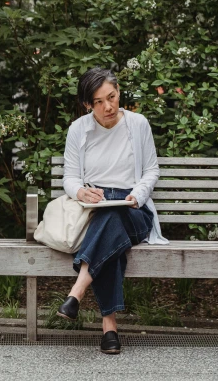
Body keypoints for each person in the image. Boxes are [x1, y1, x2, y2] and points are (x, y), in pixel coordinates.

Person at [57, 67, 168, 354]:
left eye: (113, 96)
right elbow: (69, 178)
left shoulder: (138, 124)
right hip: (99, 210)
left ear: (119, 92)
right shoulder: (78, 130)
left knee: (113, 217)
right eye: (99, 101)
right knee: (110, 224)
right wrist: (81, 191)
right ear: (87, 104)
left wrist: (137, 195)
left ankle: (77, 292)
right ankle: (109, 330)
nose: (108, 106)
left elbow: (151, 171)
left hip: (135, 211)